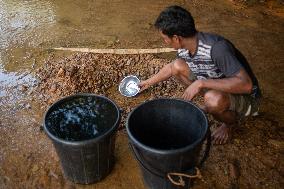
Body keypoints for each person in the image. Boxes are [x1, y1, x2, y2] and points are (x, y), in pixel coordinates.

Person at [139, 5, 261, 144]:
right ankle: (211, 104)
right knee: (178, 65)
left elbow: (246, 85)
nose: (165, 42)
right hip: (218, 85)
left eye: (165, 38)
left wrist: (201, 83)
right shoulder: (185, 46)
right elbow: (171, 68)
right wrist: (147, 82)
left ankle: (228, 124)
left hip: (247, 97)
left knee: (213, 99)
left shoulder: (216, 48)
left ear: (176, 38)